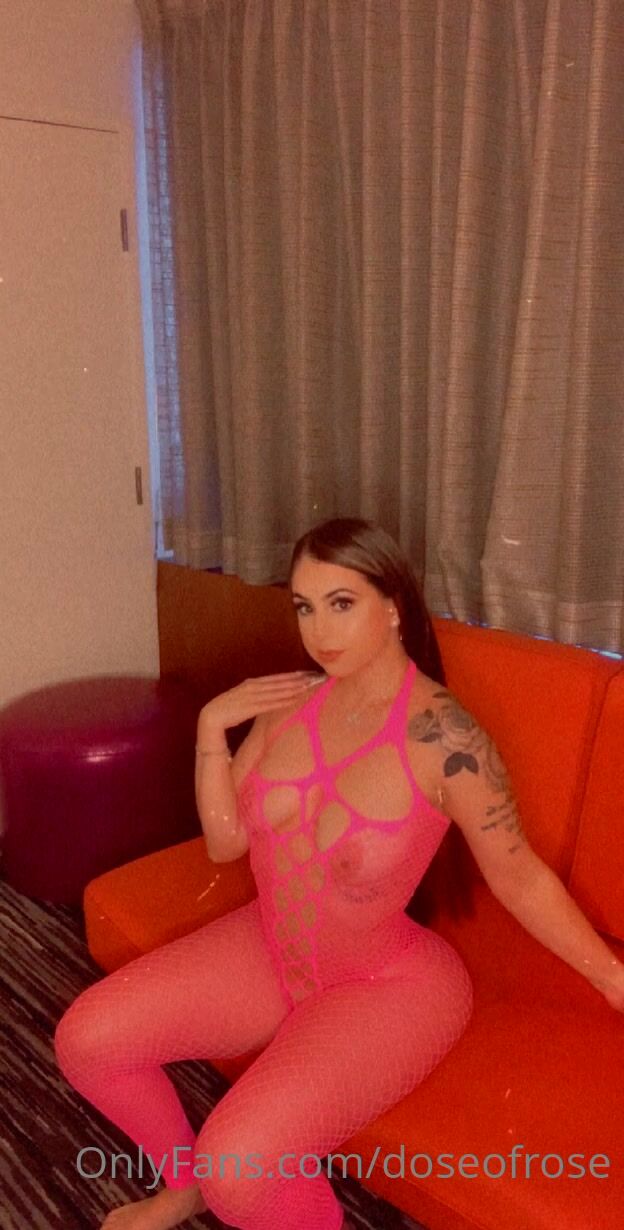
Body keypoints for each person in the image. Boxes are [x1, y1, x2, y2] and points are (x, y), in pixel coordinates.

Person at [54, 516, 624, 1230]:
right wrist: (210, 730)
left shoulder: (445, 738)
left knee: (241, 1170)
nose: (319, 631)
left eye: (342, 603)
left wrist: (612, 978)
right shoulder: (289, 704)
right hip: (272, 949)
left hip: (388, 986)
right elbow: (227, 844)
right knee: (87, 1040)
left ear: (394, 606)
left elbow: (521, 878)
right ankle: (182, 1185)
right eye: (304, 606)